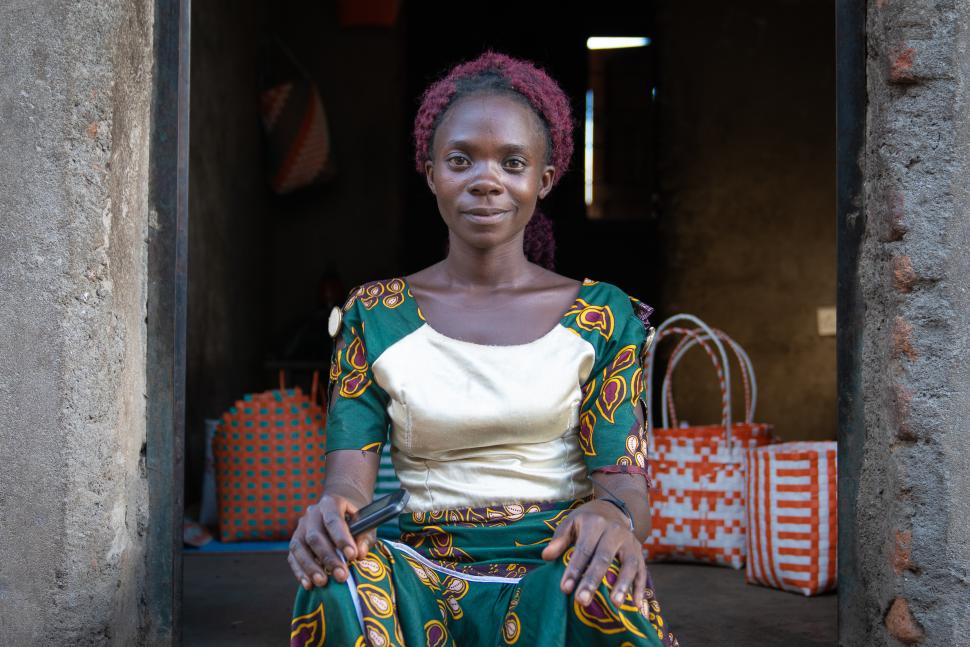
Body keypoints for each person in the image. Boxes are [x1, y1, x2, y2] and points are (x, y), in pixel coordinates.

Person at [287, 50, 679, 647]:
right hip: (415, 571)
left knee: (602, 582)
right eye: (461, 159)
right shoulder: (376, 314)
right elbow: (348, 485)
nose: (486, 180)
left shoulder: (603, 316)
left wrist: (613, 517)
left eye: (513, 162)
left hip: (557, 564)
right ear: (431, 172)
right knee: (334, 583)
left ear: (544, 180)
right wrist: (330, 516)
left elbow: (624, 486)